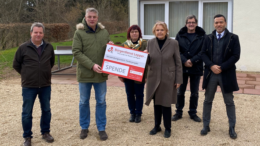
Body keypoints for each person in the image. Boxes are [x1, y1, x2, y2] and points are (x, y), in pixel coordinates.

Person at [72, 8, 112, 141]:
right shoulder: (79, 33)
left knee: (101, 101)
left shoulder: (104, 32)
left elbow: (107, 51)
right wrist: (91, 65)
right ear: (85, 17)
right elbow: (77, 52)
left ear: (97, 18)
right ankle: (84, 126)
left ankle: (101, 128)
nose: (92, 19)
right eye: (90, 16)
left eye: (94, 17)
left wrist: (111, 47)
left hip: (100, 74)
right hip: (85, 74)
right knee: (84, 102)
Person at [13, 22, 55, 146]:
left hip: (45, 85)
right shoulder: (23, 48)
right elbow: (16, 64)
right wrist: (26, 74)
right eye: (35, 32)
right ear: (31, 33)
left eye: (40, 32)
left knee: (46, 110)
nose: (38, 34)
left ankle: (45, 133)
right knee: (27, 112)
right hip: (29, 86)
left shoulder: (49, 47)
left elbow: (51, 63)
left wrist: (43, 73)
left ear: (43, 34)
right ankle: (27, 137)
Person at [200, 14, 240, 139]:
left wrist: (221, 67)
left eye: (221, 22)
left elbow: (235, 56)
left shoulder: (233, 38)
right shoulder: (208, 38)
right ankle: (206, 125)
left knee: (229, 102)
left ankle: (232, 127)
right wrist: (211, 66)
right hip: (211, 74)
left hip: (226, 74)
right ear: (214, 24)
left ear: (225, 23)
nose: (218, 24)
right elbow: (203, 53)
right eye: (216, 22)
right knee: (207, 100)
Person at [145, 21, 182, 138]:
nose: (159, 32)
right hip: (154, 77)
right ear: (154, 31)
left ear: (166, 31)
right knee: (156, 104)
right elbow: (147, 62)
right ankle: (157, 126)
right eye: (157, 30)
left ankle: (168, 128)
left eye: (162, 30)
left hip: (168, 78)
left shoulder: (173, 43)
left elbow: (178, 62)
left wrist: (179, 79)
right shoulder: (150, 43)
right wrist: (144, 56)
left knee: (166, 104)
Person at [172, 15, 206, 122]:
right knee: (180, 92)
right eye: (189, 22)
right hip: (182, 68)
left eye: (193, 22)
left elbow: (203, 51)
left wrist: (192, 60)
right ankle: (178, 112)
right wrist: (184, 60)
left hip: (196, 67)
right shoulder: (180, 35)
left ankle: (192, 112)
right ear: (186, 24)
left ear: (196, 23)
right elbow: (176, 50)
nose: (191, 24)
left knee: (194, 92)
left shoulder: (202, 35)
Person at [118, 25, 147, 123]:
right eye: (132, 32)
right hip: (127, 75)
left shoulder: (145, 45)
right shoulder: (123, 45)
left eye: (136, 31)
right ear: (129, 34)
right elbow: (120, 61)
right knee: (130, 94)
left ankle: (138, 113)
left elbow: (149, 62)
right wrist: (120, 75)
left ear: (139, 33)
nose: (134, 33)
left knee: (139, 94)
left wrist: (146, 75)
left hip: (140, 74)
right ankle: (132, 113)